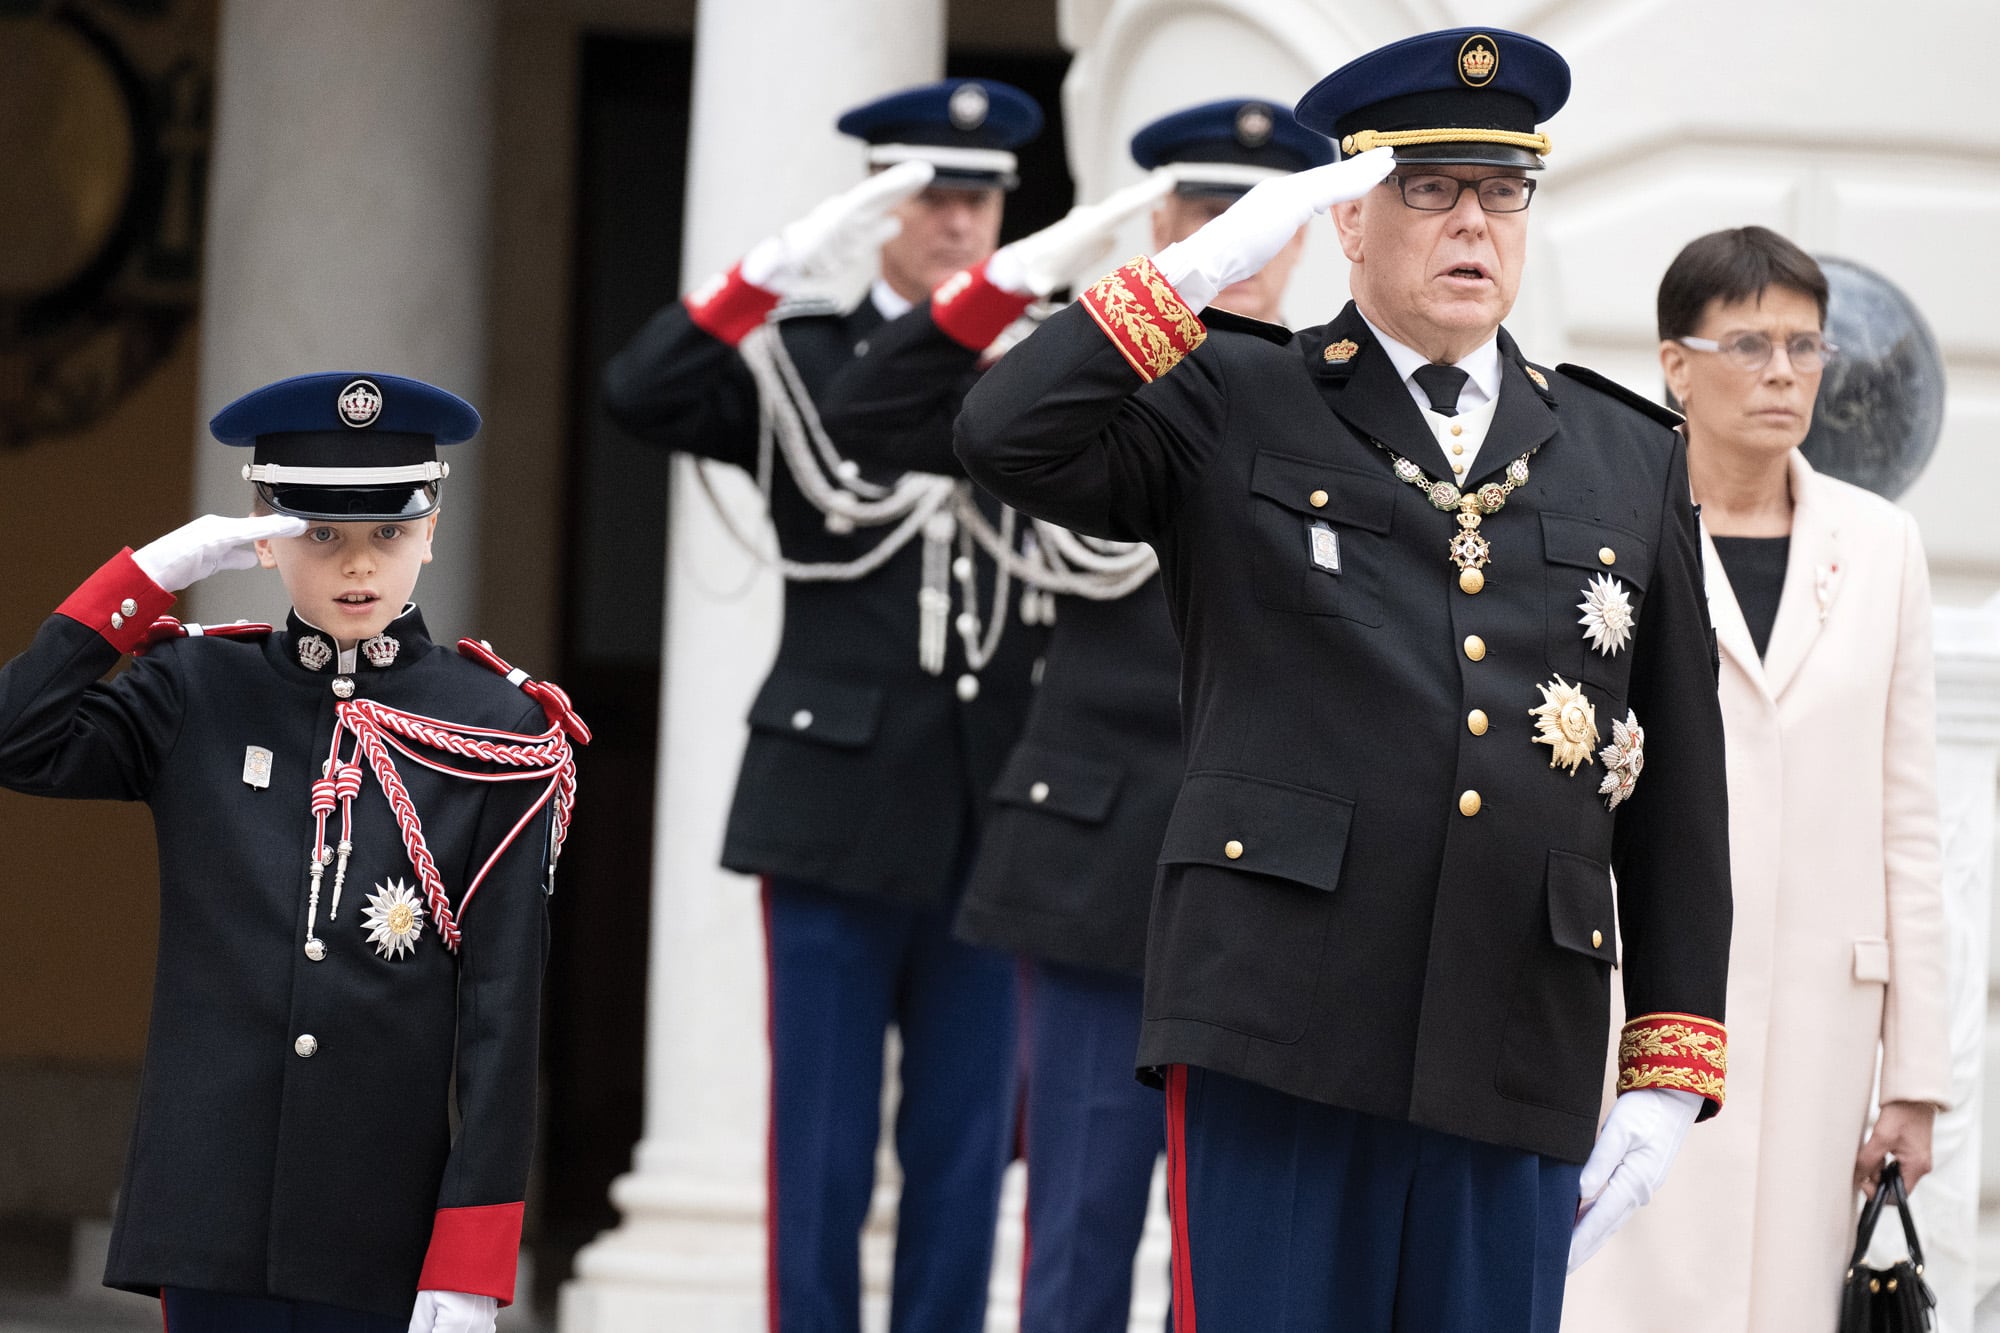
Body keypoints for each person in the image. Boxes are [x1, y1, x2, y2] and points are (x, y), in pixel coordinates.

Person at [952, 27, 1733, 1333]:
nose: (1471, 223)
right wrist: (1191, 271)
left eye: (1501, 191)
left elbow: (1679, 782)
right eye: (1430, 190)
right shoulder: (1233, 399)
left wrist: (1667, 1063)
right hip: (1281, 1019)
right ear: (1349, 219)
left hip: (1516, 1030)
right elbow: (1002, 431)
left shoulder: (1623, 453)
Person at [826, 96, 1330, 1331]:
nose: (1242, 240)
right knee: (1077, 1240)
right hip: (1100, 858)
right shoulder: (1078, 372)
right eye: (1212, 214)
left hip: (1270, 877)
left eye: (1263, 220)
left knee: (1232, 1259)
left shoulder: (1335, 394)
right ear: (1161, 221)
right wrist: (1019, 280)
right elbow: (872, 414)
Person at [0, 372, 586, 1333]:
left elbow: (502, 1010)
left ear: (431, 531)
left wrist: (473, 1253)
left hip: (381, 1224)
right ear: (265, 537)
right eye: (321, 534)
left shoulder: (502, 726)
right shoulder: (196, 687)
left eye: (389, 533)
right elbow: (18, 737)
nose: (359, 565)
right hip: (208, 1207)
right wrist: (142, 577)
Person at [600, 79, 1046, 1333]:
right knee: (823, 1147)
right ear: (879, 205)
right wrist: (760, 277)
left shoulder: (1033, 365)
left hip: (988, 805)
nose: (960, 221)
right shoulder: (800, 362)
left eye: (981, 197)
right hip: (834, 803)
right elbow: (639, 393)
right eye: (932, 195)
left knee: (966, 1155)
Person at [1559, 226, 1949, 1331]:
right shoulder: (1609, 530)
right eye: (1747, 344)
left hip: (1822, 1026)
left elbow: (1907, 827)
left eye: (1803, 345)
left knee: (1778, 1301)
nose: (1782, 374)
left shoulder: (1880, 548)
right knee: (1617, 1288)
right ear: (1673, 363)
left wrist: (1911, 1079)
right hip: (1638, 1002)